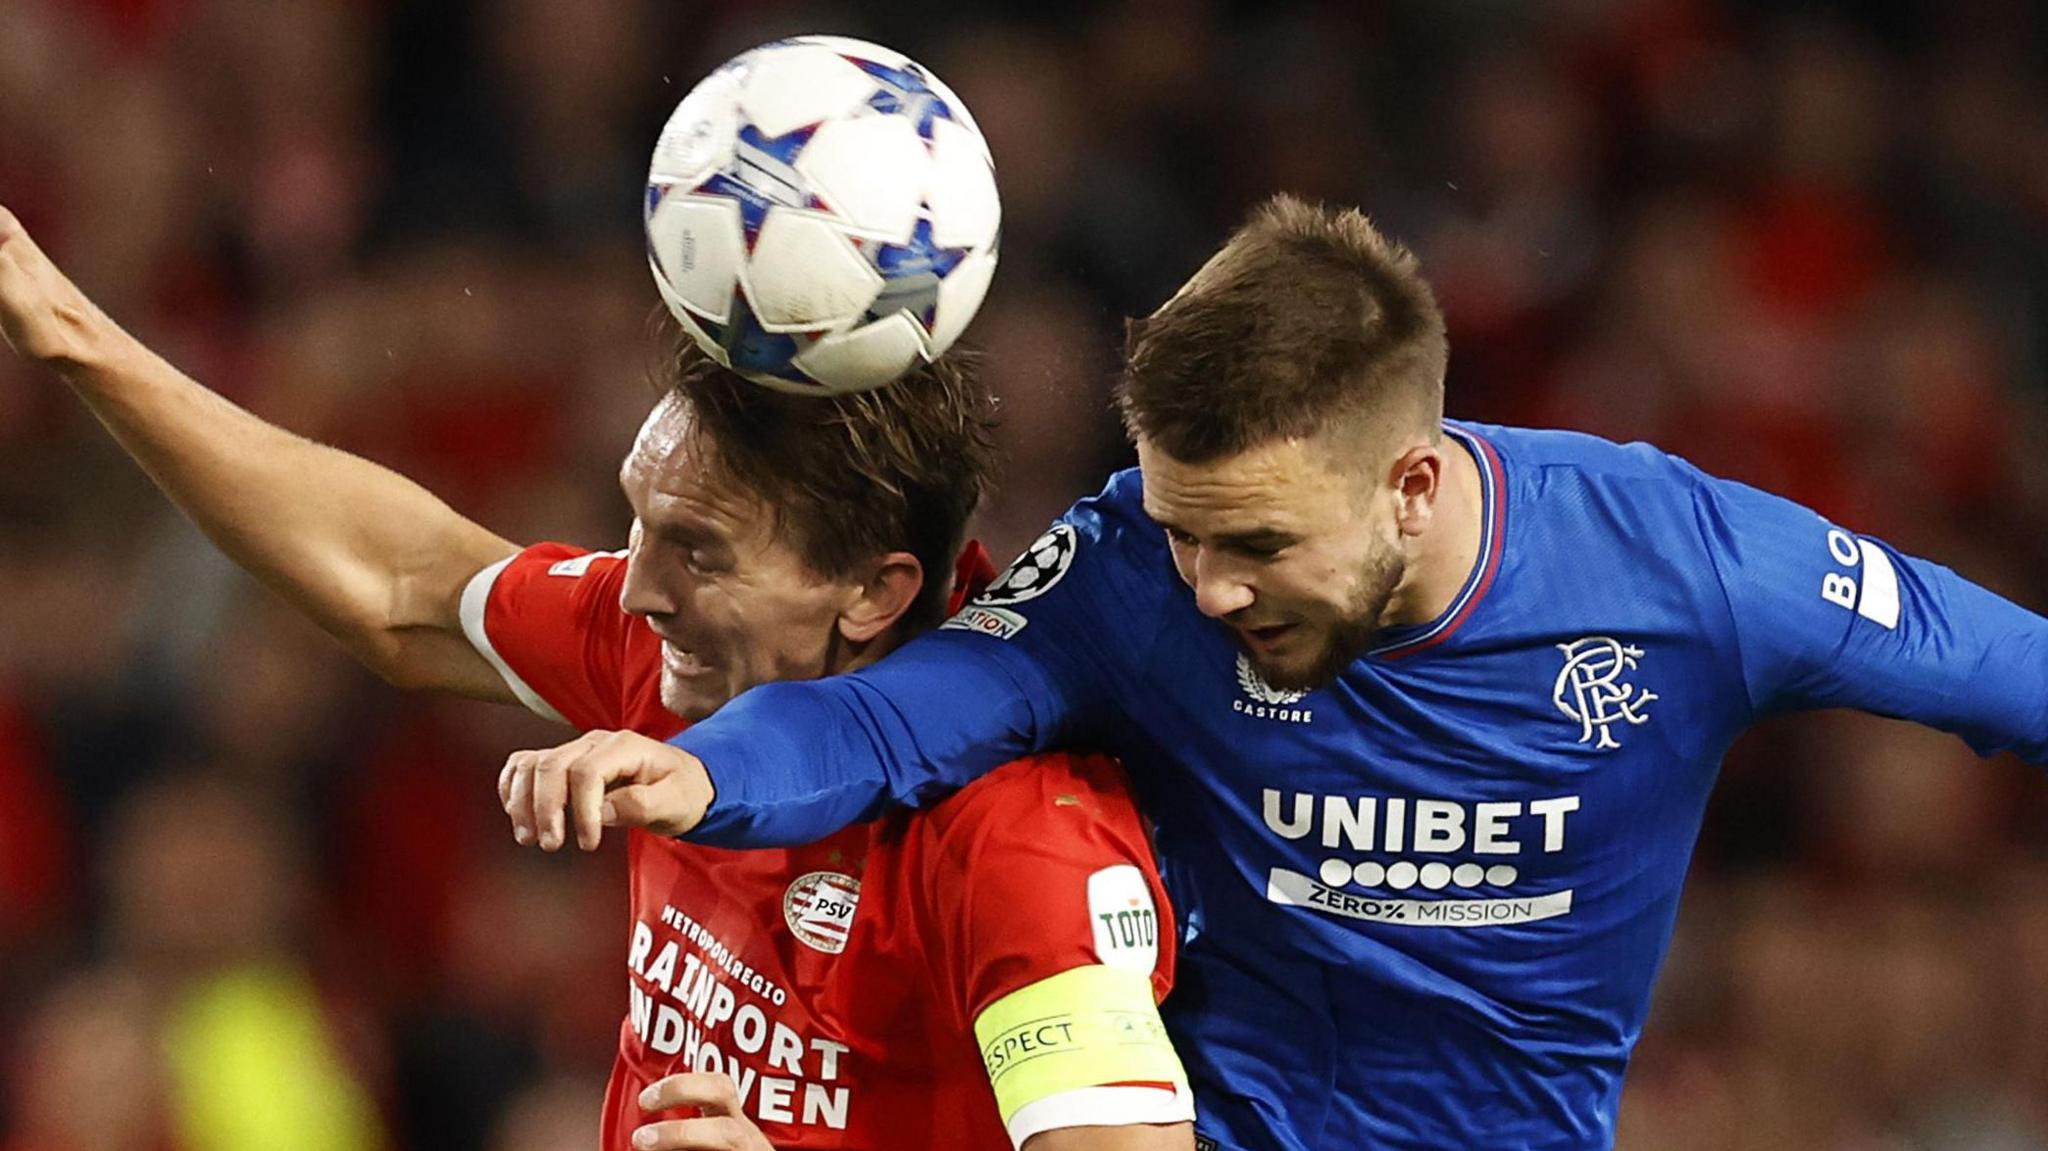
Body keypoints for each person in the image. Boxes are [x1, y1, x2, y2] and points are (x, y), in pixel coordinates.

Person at [506, 195, 2048, 1151]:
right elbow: (908, 708)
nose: (1209, 585)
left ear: (1416, 486)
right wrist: (709, 770)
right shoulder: (1128, 566)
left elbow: (2009, 668)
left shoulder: (1687, 568)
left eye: (1256, 541)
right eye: (1183, 529)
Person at [0, 205, 1196, 1151]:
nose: (632, 592)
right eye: (639, 527)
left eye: (698, 553)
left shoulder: (1020, 833)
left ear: (873, 592)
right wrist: (71, 334)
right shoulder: (685, 668)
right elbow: (398, 582)